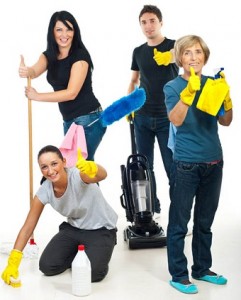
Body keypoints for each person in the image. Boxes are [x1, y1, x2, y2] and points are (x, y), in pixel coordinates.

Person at [163, 34, 232, 294]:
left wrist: (226, 100)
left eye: (198, 52)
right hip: (186, 164)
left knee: (204, 221)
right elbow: (176, 120)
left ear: (205, 56)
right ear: (180, 58)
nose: (194, 57)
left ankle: (202, 268)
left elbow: (225, 121)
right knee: (179, 222)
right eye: (188, 53)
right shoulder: (172, 87)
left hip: (214, 161)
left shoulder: (213, 83)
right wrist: (187, 94)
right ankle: (179, 274)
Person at [1, 145, 118, 286]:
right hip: (73, 229)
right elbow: (28, 227)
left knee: (92, 274)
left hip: (100, 229)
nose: (50, 171)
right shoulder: (44, 191)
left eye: (54, 164)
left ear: (63, 161)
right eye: (44, 167)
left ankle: (94, 250)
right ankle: (80, 252)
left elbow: (102, 175)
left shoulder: (78, 175)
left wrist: (93, 167)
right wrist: (13, 263)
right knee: (47, 266)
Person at [19, 11, 106, 161]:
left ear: (74, 32)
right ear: (52, 31)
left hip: (89, 118)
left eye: (69, 29)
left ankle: (93, 185)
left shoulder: (80, 57)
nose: (64, 34)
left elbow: (71, 93)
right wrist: (27, 70)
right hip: (69, 121)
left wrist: (37, 96)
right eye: (59, 29)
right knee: (74, 169)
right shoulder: (49, 55)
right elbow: (34, 71)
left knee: (82, 168)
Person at [127, 5, 179, 214]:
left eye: (152, 21)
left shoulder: (174, 45)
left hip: (169, 118)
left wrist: (170, 57)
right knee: (144, 168)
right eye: (144, 22)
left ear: (161, 22)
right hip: (142, 118)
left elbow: (186, 58)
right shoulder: (138, 52)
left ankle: (179, 215)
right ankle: (151, 210)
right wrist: (129, 104)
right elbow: (133, 80)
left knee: (173, 168)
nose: (148, 26)